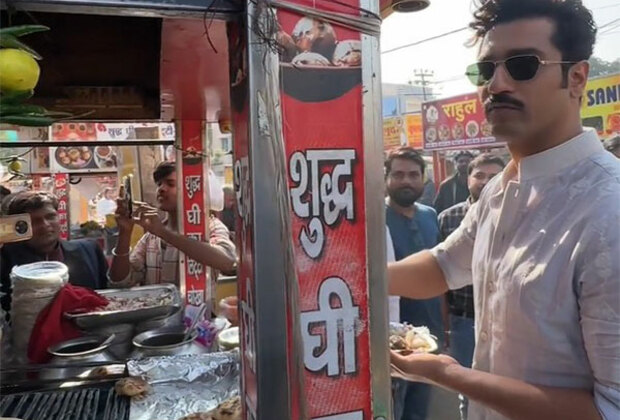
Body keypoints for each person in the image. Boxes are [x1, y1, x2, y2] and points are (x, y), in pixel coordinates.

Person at [389, 1, 619, 419]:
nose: (496, 85)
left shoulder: (609, 211)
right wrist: (340, 284)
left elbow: (608, 410)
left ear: (577, 77)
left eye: (523, 65)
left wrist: (449, 375)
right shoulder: (499, 190)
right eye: (486, 70)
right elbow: (443, 266)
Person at [437, 153, 505, 420]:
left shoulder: (522, 217)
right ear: (468, 179)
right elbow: (438, 273)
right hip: (464, 321)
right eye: (480, 176)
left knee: (502, 392)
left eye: (494, 177)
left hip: (505, 323)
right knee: (468, 391)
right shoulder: (448, 219)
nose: (486, 183)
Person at [385, 146, 444, 420]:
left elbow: (441, 272)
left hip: (428, 338)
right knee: (394, 406)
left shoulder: (429, 215)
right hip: (392, 340)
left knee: (420, 410)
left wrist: (444, 329)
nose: (406, 181)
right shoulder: (373, 219)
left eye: (412, 174)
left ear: (423, 179)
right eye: (398, 174)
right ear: (387, 179)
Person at [108, 162, 236, 287]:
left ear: (193, 190)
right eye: (159, 184)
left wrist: (163, 233)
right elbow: (120, 281)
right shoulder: (151, 237)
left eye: (171, 184)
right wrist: (125, 233)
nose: (161, 189)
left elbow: (228, 262)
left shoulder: (210, 226)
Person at [1, 191, 108, 315]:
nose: (45, 225)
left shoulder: (89, 250)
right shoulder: (5, 258)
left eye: (50, 217)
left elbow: (110, 293)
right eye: (34, 221)